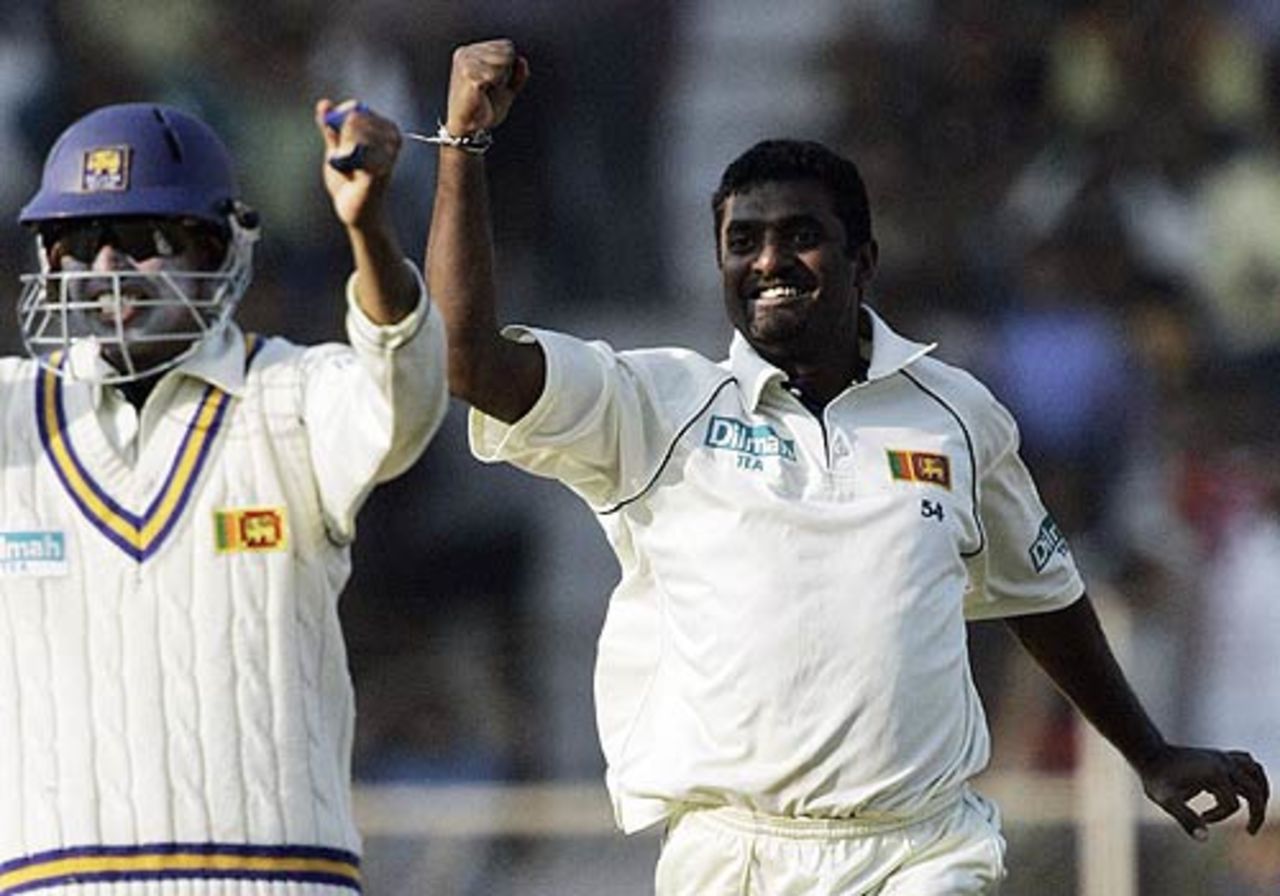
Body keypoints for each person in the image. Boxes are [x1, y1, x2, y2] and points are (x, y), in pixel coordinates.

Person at [425, 38, 1269, 894]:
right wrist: (462, 145)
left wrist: (1149, 752)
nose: (769, 261)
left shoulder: (957, 414)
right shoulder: (657, 404)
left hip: (921, 849)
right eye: (743, 241)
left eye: (801, 237)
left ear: (863, 261)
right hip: (733, 855)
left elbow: (1042, 592)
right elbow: (466, 364)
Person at [0, 100, 447, 894]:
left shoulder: (292, 393)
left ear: (213, 249)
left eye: (140, 240)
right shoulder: (12, 415)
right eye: (79, 242)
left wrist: (369, 229)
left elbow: (404, 401)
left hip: (275, 877)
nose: (106, 268)